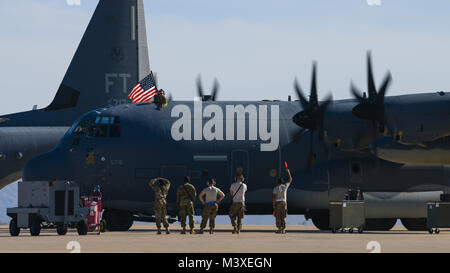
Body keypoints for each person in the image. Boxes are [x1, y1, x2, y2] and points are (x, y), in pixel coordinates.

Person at [272, 163, 293, 234]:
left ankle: (279, 229)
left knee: (278, 216)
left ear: (277, 182)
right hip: (284, 202)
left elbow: (274, 197)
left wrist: (274, 205)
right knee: (283, 216)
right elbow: (290, 179)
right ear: (282, 182)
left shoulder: (275, 188)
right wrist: (288, 171)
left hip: (278, 203)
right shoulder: (285, 186)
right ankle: (283, 229)